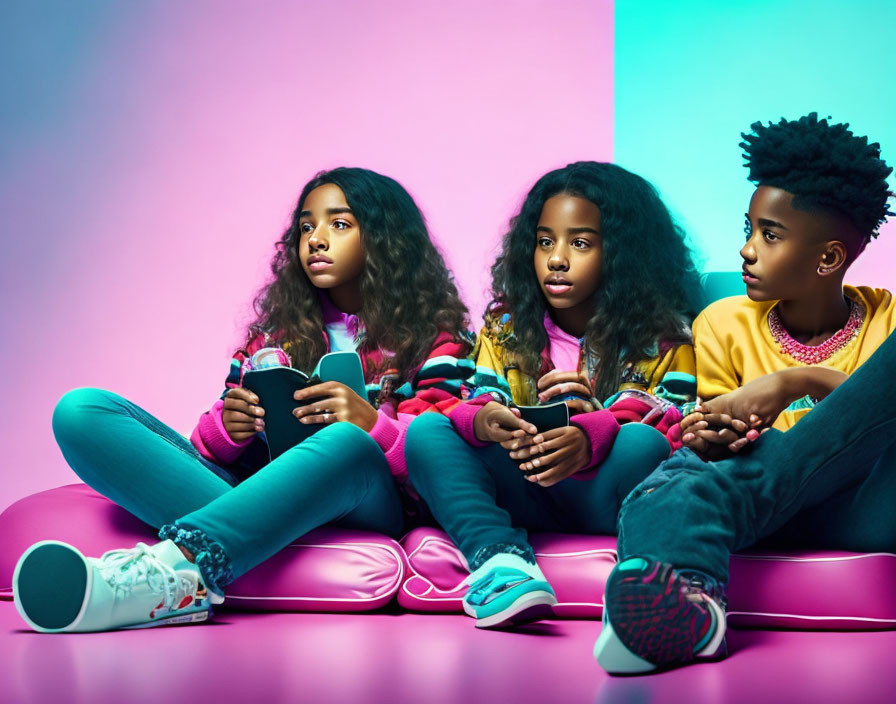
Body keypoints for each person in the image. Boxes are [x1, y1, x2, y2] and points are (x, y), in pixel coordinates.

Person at [13, 167, 472, 633]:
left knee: (346, 442)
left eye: (339, 224)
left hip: (369, 501)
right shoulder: (274, 335)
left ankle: (167, 571)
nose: (316, 240)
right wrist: (227, 428)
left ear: (385, 238)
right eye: (306, 227)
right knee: (82, 411)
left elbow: (444, 457)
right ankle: (237, 547)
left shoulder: (435, 338)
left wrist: (371, 424)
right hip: (254, 496)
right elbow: (206, 449)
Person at [595, 113, 895, 674]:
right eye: (748, 229)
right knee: (675, 476)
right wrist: (710, 431)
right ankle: (690, 609)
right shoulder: (723, 322)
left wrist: (793, 382)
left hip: (865, 504)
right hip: (759, 505)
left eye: (770, 235)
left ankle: (684, 593)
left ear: (828, 258)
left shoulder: (888, 319)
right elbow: (716, 439)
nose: (747, 251)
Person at [405, 161, 701, 629]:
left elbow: (672, 423)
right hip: (524, 485)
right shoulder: (505, 328)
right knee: (427, 431)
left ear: (623, 252)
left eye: (579, 243)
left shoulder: (665, 337)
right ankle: (501, 561)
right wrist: (486, 420)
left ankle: (637, 575)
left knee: (644, 445)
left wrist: (591, 432)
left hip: (605, 498)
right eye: (545, 242)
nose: (557, 259)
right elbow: (478, 395)